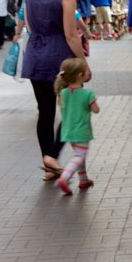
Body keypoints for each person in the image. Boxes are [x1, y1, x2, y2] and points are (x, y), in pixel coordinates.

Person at [21, 0, 86, 180]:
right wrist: (83, 63)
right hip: (58, 56)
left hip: (35, 54)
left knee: (45, 111)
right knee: (71, 110)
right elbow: (70, 34)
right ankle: (52, 155)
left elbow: (29, 25)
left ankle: (49, 167)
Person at [53, 57, 99, 195]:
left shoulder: (63, 93)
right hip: (82, 131)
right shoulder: (87, 93)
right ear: (80, 75)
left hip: (68, 131)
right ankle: (65, 177)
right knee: (79, 156)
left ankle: (83, 179)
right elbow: (96, 110)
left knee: (79, 154)